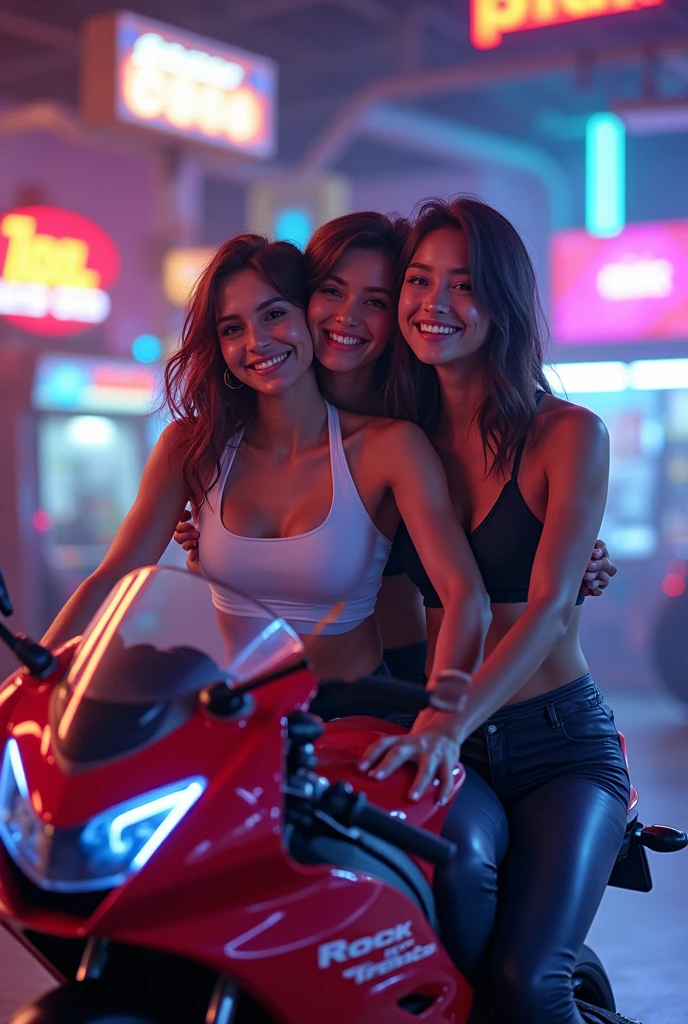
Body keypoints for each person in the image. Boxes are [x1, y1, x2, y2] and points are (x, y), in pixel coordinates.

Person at [40, 232, 490, 803]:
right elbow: (113, 578)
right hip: (232, 712)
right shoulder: (193, 444)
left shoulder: (388, 445)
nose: (257, 341)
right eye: (233, 328)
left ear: (306, 317)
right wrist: (31, 682)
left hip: (351, 716)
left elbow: (462, 592)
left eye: (275, 313)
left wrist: (441, 720)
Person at [360, 196, 631, 1024]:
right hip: (450, 747)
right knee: (444, 978)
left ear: (504, 300)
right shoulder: (393, 436)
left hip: (561, 744)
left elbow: (549, 608)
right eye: (417, 280)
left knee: (527, 984)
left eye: (463, 284)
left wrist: (448, 721)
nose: (432, 304)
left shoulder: (567, 434)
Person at [173, 212, 617, 684]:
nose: (347, 316)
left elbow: (502, 532)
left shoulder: (418, 418)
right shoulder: (264, 406)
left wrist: (575, 555)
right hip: (266, 681)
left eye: (376, 301)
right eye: (331, 291)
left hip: (407, 669)